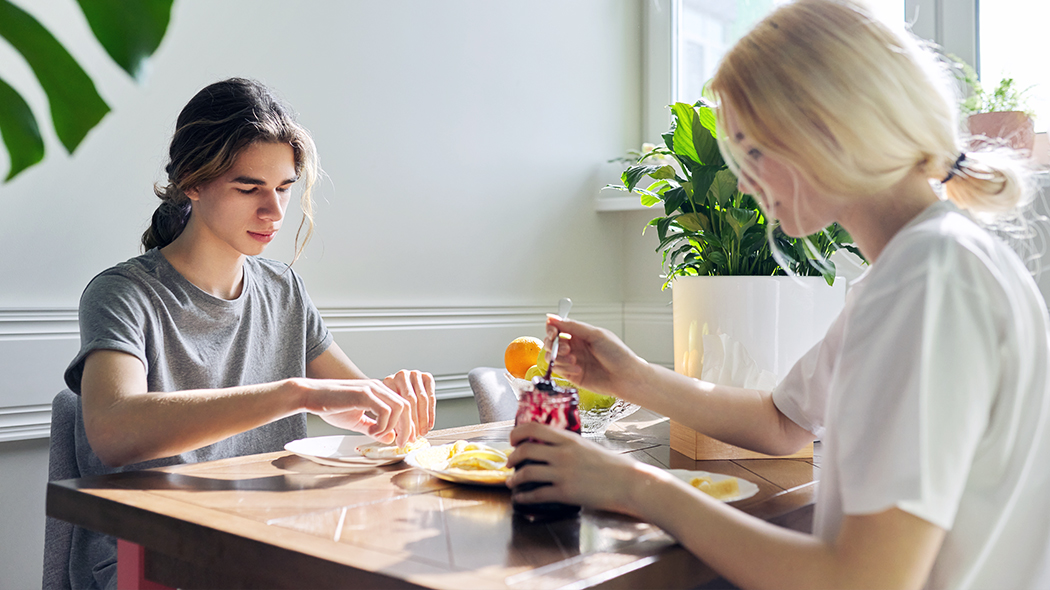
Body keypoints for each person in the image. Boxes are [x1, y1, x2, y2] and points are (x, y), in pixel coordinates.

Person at [506, 1, 1050, 588]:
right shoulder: (921, 265)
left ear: (830, 129)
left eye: (753, 149)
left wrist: (634, 486)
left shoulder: (927, 279)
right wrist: (629, 376)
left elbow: (863, 581)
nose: (743, 179)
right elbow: (781, 423)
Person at [61, 77, 436, 589]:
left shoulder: (284, 289)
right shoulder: (123, 294)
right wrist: (296, 394)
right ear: (192, 181)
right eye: (248, 188)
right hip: (157, 556)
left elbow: (350, 405)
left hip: (268, 541)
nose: (274, 211)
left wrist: (385, 403)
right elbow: (113, 431)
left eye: (284, 188)